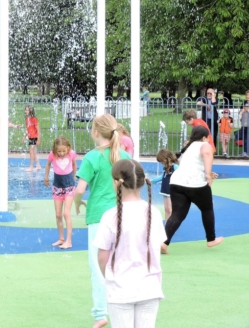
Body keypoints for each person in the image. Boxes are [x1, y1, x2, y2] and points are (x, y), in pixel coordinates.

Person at [74, 113, 131, 328]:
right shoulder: (124, 154)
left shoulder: (92, 157)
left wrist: (77, 203)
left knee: (98, 265)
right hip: (121, 213)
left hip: (99, 215)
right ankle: (123, 305)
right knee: (121, 261)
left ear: (95, 132)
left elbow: (80, 189)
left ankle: (100, 314)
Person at [94, 159, 166, 328]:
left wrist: (111, 277)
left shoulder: (110, 216)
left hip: (120, 289)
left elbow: (102, 257)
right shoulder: (153, 213)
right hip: (149, 287)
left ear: (116, 183)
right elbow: (158, 245)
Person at [162, 125, 223, 254]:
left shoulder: (188, 146)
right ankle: (211, 239)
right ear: (204, 137)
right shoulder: (205, 145)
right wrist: (208, 174)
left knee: (177, 214)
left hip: (177, 182)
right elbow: (207, 155)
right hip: (195, 183)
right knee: (207, 209)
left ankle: (163, 242)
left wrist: (206, 172)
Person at [43, 136, 77, 249]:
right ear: (55, 149)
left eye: (64, 151)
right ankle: (61, 238)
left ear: (68, 148)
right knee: (58, 214)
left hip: (69, 185)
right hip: (57, 185)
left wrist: (74, 177)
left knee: (66, 213)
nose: (62, 153)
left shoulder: (71, 153)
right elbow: (48, 164)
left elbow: (74, 164)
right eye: (59, 151)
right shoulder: (52, 154)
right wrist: (46, 177)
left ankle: (69, 241)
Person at [151, 149, 178, 221]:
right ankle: (167, 226)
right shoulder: (166, 167)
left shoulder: (174, 167)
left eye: (162, 161)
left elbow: (181, 175)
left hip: (171, 190)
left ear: (166, 159)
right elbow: (162, 177)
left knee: (170, 209)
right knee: (166, 209)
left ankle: (170, 227)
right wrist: (152, 181)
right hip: (165, 189)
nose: (161, 163)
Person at [22, 105, 41, 171]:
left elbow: (38, 129)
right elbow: (27, 129)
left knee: (31, 151)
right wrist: (24, 137)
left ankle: (31, 167)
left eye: (27, 110)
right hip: (30, 137)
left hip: (34, 137)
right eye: (26, 110)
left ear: (31, 111)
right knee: (34, 152)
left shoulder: (34, 119)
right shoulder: (27, 119)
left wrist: (38, 139)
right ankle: (38, 165)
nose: (26, 111)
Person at [241, 91, 249, 158]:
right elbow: (239, 113)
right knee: (245, 138)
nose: (247, 96)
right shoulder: (243, 103)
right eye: (246, 95)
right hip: (244, 123)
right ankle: (245, 152)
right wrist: (243, 111)